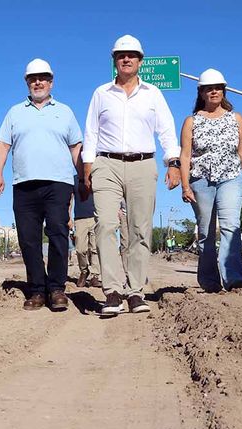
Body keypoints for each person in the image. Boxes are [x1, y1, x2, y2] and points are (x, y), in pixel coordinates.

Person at [82, 35, 181, 315]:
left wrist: (173, 163)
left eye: (132, 55)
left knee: (140, 229)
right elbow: (91, 132)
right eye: (121, 55)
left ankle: (136, 291)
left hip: (143, 164)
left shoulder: (153, 94)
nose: (126, 59)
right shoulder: (101, 93)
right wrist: (87, 168)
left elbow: (166, 130)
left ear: (140, 61)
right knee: (104, 225)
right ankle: (112, 291)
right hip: (106, 164)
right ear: (115, 61)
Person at [0, 58, 83, 311]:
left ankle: (56, 289)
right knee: (29, 239)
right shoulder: (15, 112)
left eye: (43, 78)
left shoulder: (64, 111)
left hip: (58, 183)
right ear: (27, 82)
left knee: (57, 233)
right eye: (33, 78)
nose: (38, 82)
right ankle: (36, 290)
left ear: (51, 82)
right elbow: (3, 144)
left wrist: (84, 177)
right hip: (24, 184)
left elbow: (76, 147)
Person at [180, 68, 242, 292]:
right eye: (208, 89)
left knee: (231, 226)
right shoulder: (191, 121)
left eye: (217, 88)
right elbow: (185, 155)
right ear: (201, 93)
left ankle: (234, 278)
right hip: (200, 180)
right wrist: (185, 186)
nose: (213, 92)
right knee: (205, 232)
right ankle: (209, 281)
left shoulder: (237, 119)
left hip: (230, 178)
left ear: (224, 91)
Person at [72, 174, 101, 287]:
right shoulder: (74, 179)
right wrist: (68, 217)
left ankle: (95, 276)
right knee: (80, 249)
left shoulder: (97, 177)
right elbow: (70, 198)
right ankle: (84, 271)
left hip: (95, 217)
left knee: (94, 248)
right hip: (79, 218)